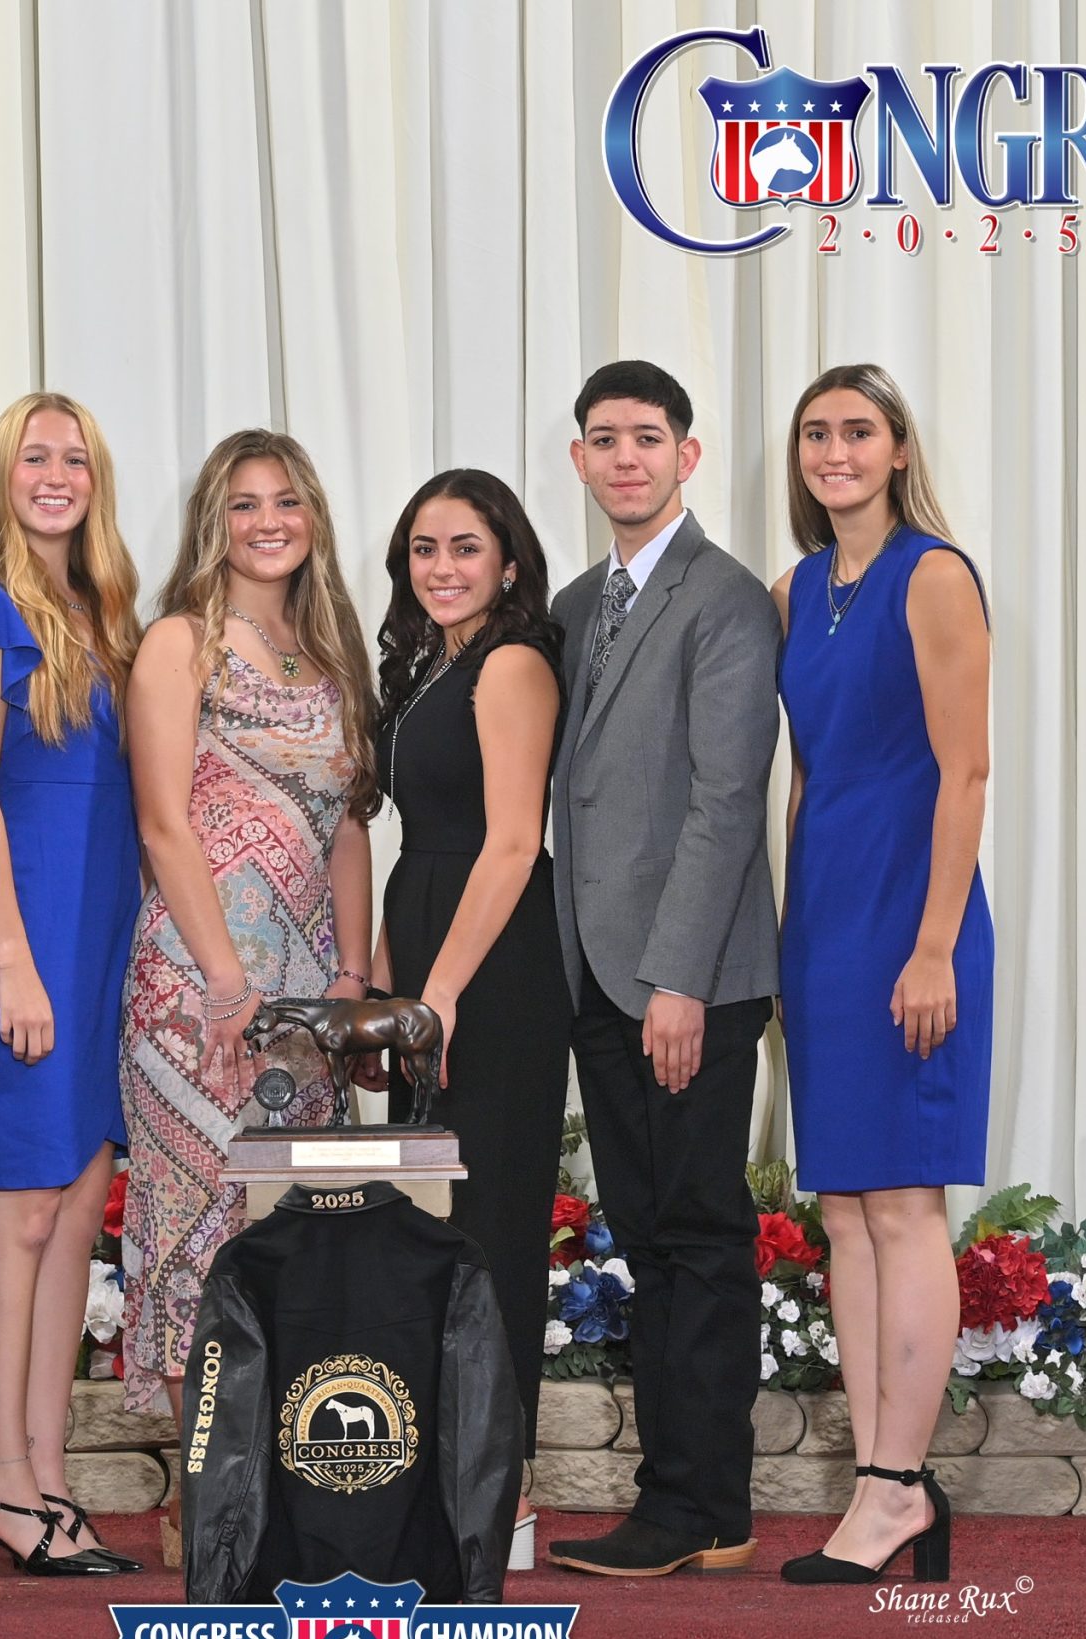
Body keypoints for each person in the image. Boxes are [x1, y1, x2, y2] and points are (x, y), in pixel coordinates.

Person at [119, 429, 379, 1560]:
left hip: (307, 1000)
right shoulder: (180, 642)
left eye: (285, 501)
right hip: (196, 983)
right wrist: (225, 978)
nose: (266, 521)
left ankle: (277, 1494)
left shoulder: (329, 653)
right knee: (197, 1235)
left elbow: (352, 825)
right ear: (211, 524)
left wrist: (352, 983)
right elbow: (162, 819)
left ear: (312, 517)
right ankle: (204, 1508)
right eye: (241, 505)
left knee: (290, 1240)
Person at [542, 360, 781, 1578]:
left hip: (687, 983)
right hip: (597, 978)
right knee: (651, 1233)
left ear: (688, 455)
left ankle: (697, 1506)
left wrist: (679, 978)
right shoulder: (579, 604)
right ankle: (694, 1498)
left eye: (646, 437)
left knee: (696, 1234)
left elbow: (726, 801)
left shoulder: (726, 599)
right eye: (602, 439)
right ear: (577, 461)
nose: (624, 457)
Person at [772, 363, 991, 1587]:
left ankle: (899, 1485)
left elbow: (964, 772)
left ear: (899, 449)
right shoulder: (799, 587)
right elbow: (804, 778)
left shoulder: (935, 574)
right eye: (816, 433)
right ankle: (876, 1481)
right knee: (845, 1213)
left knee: (904, 1208)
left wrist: (931, 945)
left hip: (915, 923)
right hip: (826, 923)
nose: (835, 450)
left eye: (858, 431)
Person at [0, 393, 144, 1578]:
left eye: (73, 458)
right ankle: (3, 1486)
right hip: (22, 936)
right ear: (2, 477)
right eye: (33, 457)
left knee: (76, 1208)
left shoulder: (106, 612)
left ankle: (49, 1472)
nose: (54, 475)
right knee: (19, 1209)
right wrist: (12, 959)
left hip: (104, 932)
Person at [368, 468, 569, 1572]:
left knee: (489, 1227)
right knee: (433, 1232)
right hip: (431, 957)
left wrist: (438, 994)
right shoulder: (428, 668)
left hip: (493, 974)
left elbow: (508, 845)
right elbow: (419, 847)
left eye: (463, 548)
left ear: (506, 560)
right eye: (422, 550)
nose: (441, 568)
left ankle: (510, 1495)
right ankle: (446, 1473)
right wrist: (390, 988)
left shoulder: (512, 663)